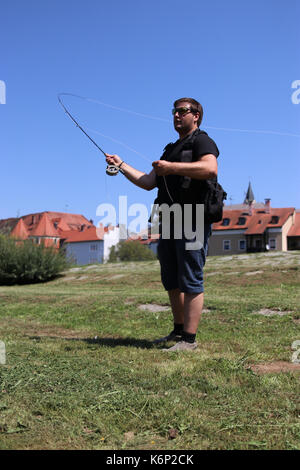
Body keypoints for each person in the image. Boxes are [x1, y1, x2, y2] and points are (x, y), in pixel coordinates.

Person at [106, 98, 219, 351]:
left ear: (196, 116)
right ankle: (178, 332)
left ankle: (189, 340)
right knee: (171, 278)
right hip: (167, 218)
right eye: (174, 112)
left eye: (183, 111)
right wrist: (121, 165)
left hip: (193, 216)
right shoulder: (169, 149)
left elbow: (210, 169)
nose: (177, 116)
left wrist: (172, 168)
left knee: (191, 278)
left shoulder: (202, 141)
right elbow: (148, 181)